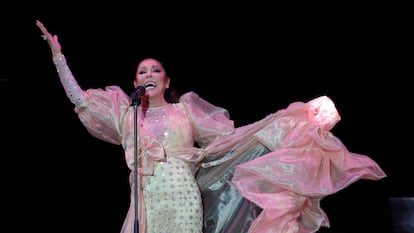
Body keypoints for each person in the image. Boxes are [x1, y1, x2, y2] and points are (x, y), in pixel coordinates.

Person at [36, 19, 387, 233]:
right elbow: (80, 100)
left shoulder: (185, 110)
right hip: (145, 201)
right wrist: (58, 57)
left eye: (155, 69)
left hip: (183, 196)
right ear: (135, 80)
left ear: (167, 78)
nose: (148, 75)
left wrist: (280, 122)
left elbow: (232, 139)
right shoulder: (127, 114)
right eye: (142, 71)